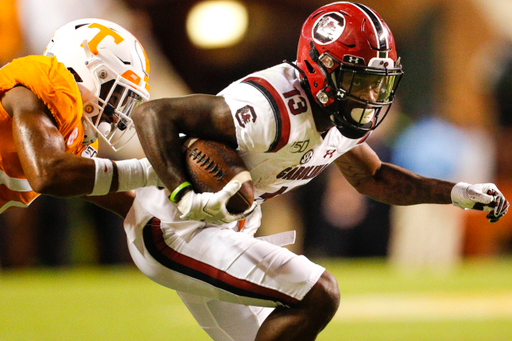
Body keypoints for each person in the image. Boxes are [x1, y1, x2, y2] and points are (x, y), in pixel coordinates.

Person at [121, 3, 509, 341]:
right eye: (360, 81)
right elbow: (153, 113)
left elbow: (373, 178)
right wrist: (182, 192)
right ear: (320, 70)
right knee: (317, 293)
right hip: (176, 227)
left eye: (377, 83)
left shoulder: (335, 117)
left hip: (219, 229)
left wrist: (456, 193)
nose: (371, 97)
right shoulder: (271, 109)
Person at [0, 18, 162, 216]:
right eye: (114, 95)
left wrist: (166, 220)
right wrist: (147, 172)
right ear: (83, 70)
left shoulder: (71, 136)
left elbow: (113, 193)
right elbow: (48, 173)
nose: (115, 117)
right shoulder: (44, 84)